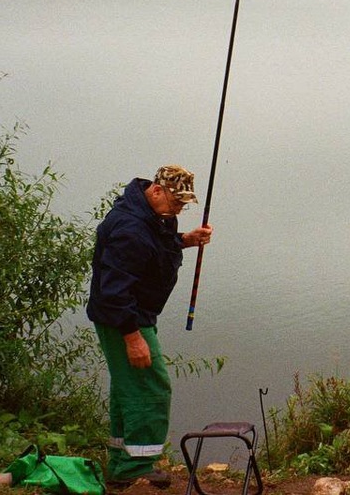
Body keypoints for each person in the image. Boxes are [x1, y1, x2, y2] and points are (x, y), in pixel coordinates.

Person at [86, 165, 213, 488]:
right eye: (177, 203)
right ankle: (135, 467)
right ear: (157, 191)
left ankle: (121, 462)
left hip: (132, 315)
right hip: (125, 319)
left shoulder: (149, 216)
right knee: (151, 387)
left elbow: (155, 248)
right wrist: (133, 337)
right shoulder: (130, 228)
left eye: (184, 205)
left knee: (127, 388)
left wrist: (185, 240)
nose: (179, 210)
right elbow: (114, 291)